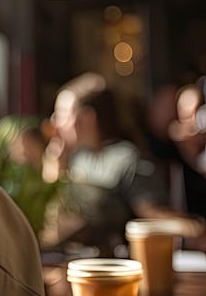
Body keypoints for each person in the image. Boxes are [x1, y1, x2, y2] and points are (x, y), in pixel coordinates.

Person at [41, 75, 204, 257]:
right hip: (78, 259)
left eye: (63, 114)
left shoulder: (126, 159)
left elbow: (155, 214)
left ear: (87, 118)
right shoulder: (79, 157)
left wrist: (193, 228)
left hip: (120, 263)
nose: (55, 122)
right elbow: (52, 207)